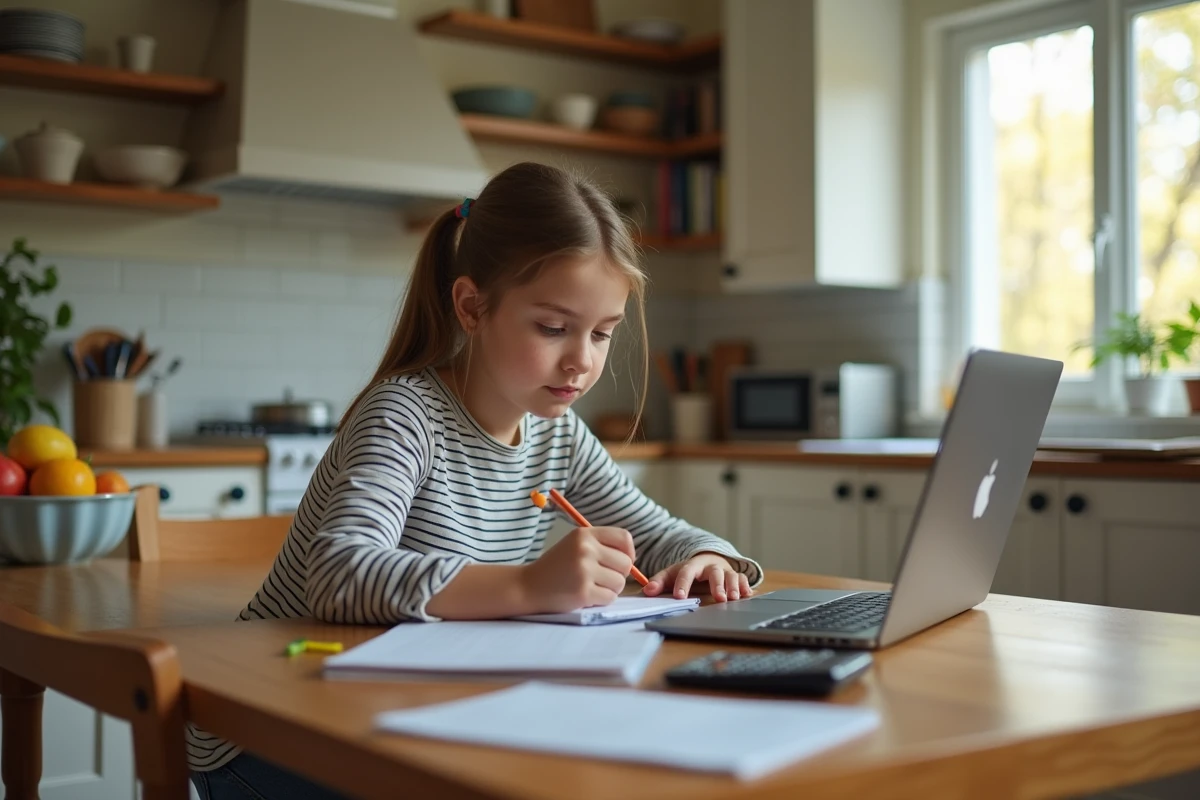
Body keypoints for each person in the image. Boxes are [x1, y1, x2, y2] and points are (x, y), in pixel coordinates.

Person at [189, 162, 764, 799]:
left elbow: (658, 531)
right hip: (268, 728)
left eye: (602, 334)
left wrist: (709, 556)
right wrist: (528, 584)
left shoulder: (557, 432)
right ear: (471, 306)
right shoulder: (406, 414)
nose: (582, 360)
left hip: (394, 710)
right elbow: (339, 574)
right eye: (552, 328)